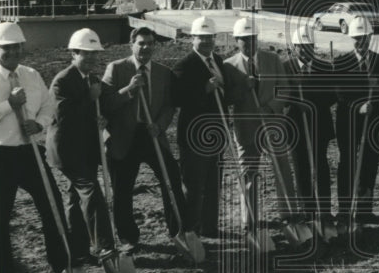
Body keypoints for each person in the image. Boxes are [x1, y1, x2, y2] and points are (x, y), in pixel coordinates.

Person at [0, 21, 84, 273]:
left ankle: (62, 262)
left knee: (51, 206)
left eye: (17, 47)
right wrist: (9, 105)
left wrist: (40, 124)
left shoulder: (31, 75)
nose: (13, 52)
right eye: (6, 48)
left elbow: (48, 104)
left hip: (29, 152)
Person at [47, 28, 128, 273]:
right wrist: (89, 99)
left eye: (95, 54)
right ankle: (105, 246)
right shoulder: (62, 80)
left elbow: (108, 103)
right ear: (74, 53)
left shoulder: (93, 79)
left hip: (87, 149)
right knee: (91, 192)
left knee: (75, 198)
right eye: (86, 54)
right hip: (67, 150)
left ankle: (78, 250)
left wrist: (126, 93)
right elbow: (64, 117)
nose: (92, 59)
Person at [100, 26, 186, 255]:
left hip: (151, 134)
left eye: (150, 43)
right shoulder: (116, 69)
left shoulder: (163, 72)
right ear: (132, 44)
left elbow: (170, 105)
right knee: (123, 189)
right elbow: (106, 104)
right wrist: (128, 90)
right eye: (141, 43)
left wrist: (160, 125)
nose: (146, 47)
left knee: (171, 177)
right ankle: (129, 237)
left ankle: (178, 229)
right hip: (123, 136)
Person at [222, 17, 300, 238]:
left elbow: (284, 89)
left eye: (253, 38)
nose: (249, 43)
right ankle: (250, 219)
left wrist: (271, 107)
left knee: (282, 167)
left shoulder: (272, 59)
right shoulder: (229, 66)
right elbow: (227, 98)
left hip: (272, 123)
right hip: (246, 127)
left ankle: (288, 212)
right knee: (248, 172)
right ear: (236, 41)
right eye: (244, 39)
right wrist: (242, 90)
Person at [334, 14, 379, 226]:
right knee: (347, 162)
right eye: (357, 39)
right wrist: (359, 106)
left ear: (370, 37)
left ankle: (364, 209)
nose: (360, 42)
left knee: (370, 161)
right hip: (348, 120)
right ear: (351, 39)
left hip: (374, 120)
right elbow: (339, 93)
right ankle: (344, 209)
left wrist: (378, 87)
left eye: (364, 38)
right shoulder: (341, 62)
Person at [173, 15, 227, 237]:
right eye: (201, 38)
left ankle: (210, 228)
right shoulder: (183, 66)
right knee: (194, 186)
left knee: (213, 183)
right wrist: (204, 89)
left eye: (209, 38)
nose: (206, 42)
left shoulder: (219, 61)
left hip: (216, 133)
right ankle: (190, 230)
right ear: (192, 39)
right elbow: (177, 99)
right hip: (194, 135)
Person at [281, 25, 337, 232]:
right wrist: (297, 100)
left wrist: (312, 103)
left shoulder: (325, 67)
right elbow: (280, 93)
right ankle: (307, 210)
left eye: (309, 46)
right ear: (294, 47)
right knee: (301, 167)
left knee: (320, 167)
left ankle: (324, 210)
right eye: (301, 47)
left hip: (319, 124)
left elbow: (333, 95)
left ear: (314, 47)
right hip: (295, 125)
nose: (305, 50)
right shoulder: (285, 67)